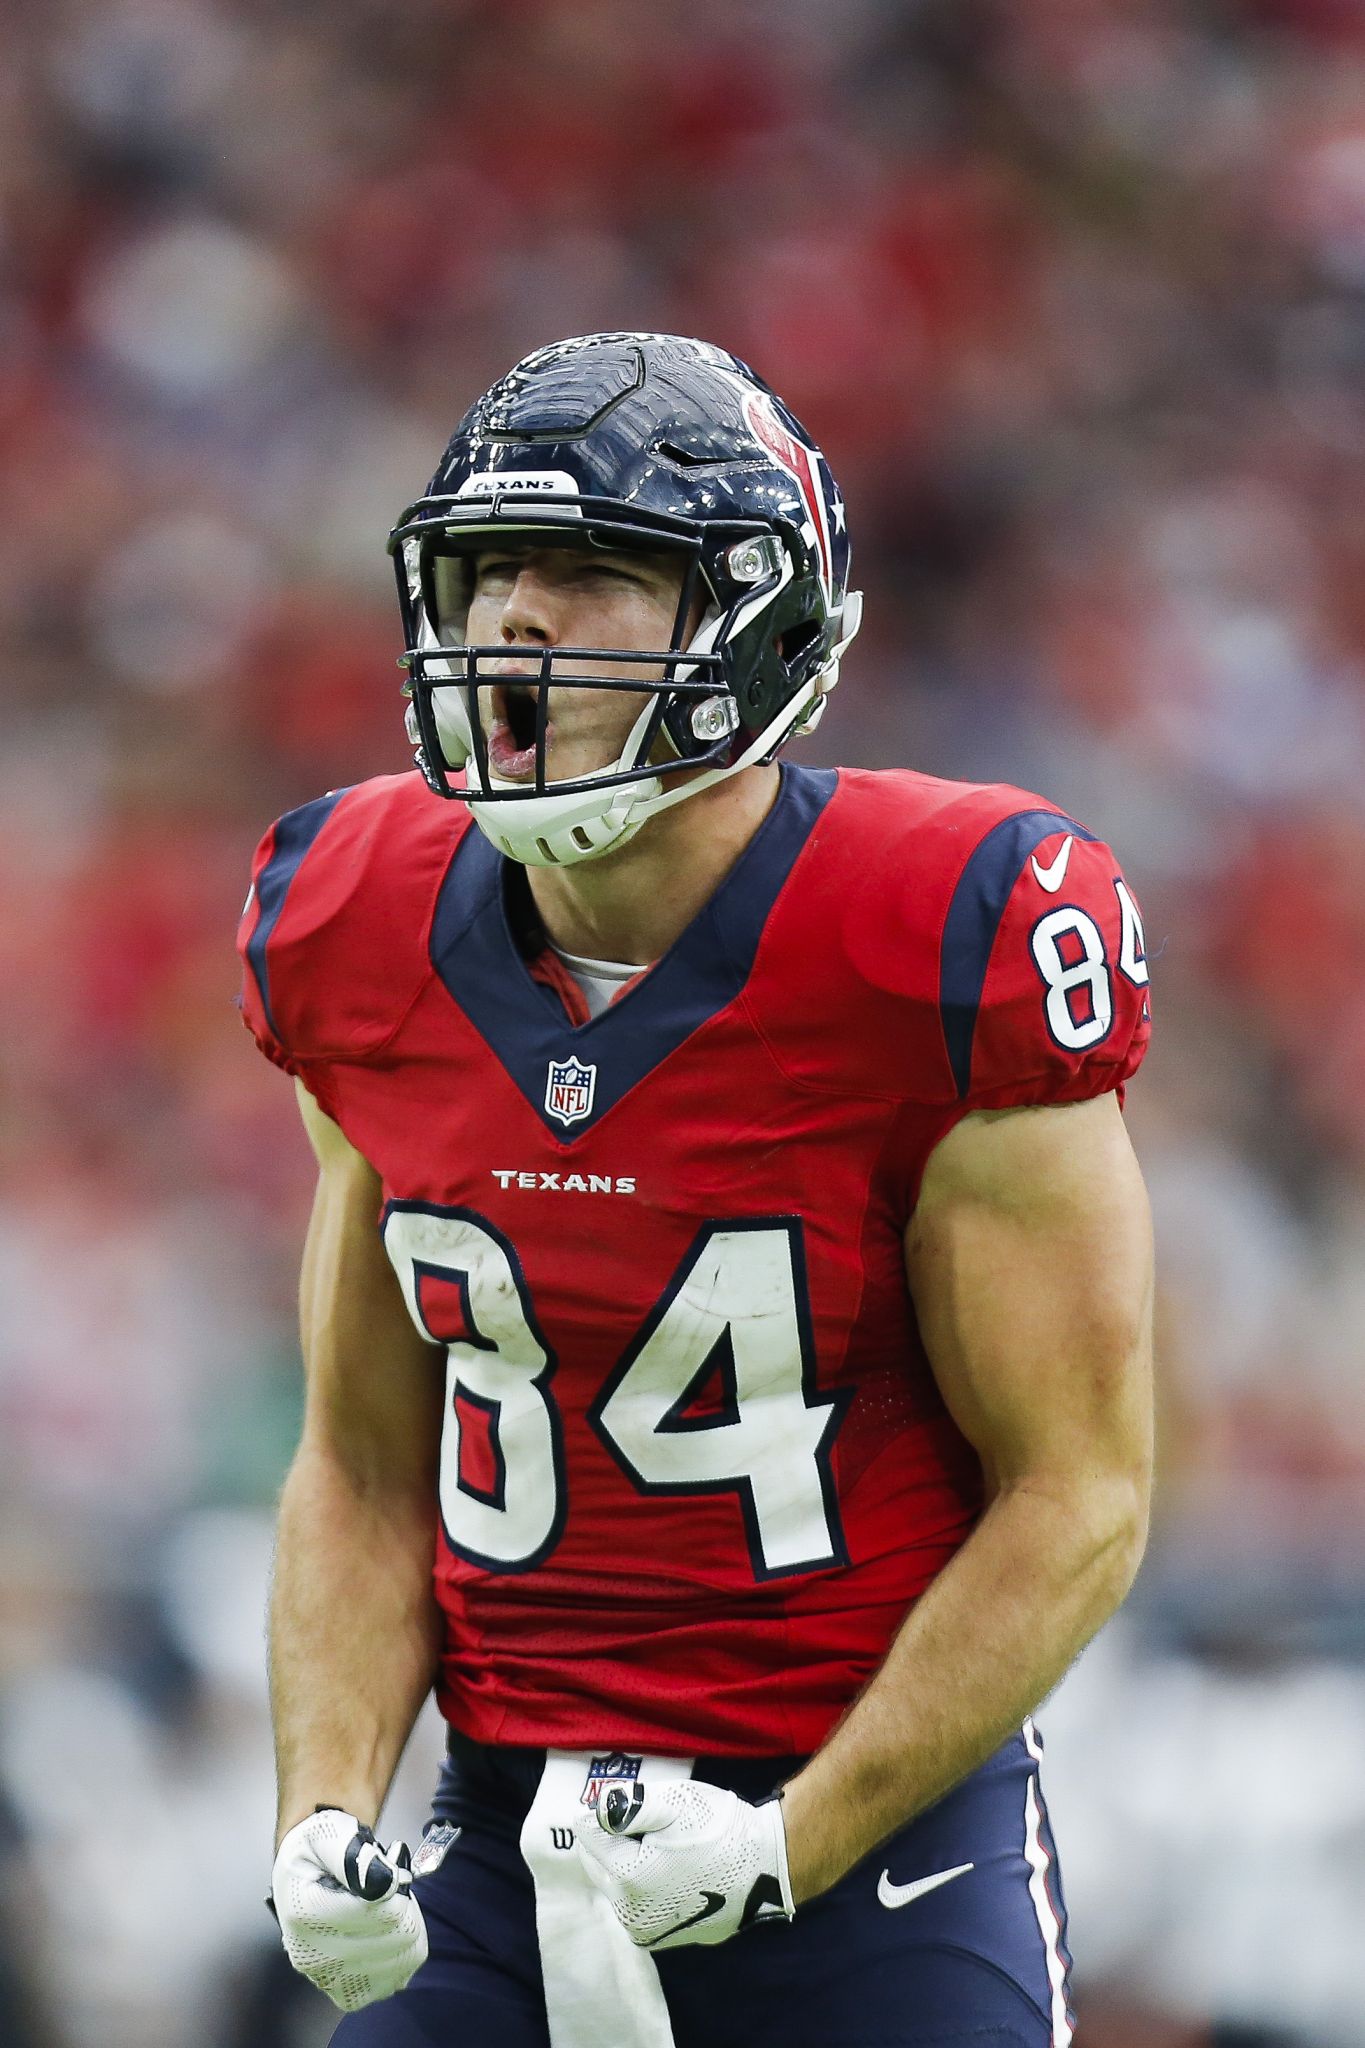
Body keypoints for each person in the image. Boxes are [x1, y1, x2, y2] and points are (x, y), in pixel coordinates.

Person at [239, 331, 1154, 2048]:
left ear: (750, 622)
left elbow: (1077, 1495)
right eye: (489, 569)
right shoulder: (347, 916)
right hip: (500, 1851)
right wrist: (324, 1811)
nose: (515, 618)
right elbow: (364, 1465)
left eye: (589, 573)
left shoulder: (942, 932)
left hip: (869, 1850)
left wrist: (785, 1846)